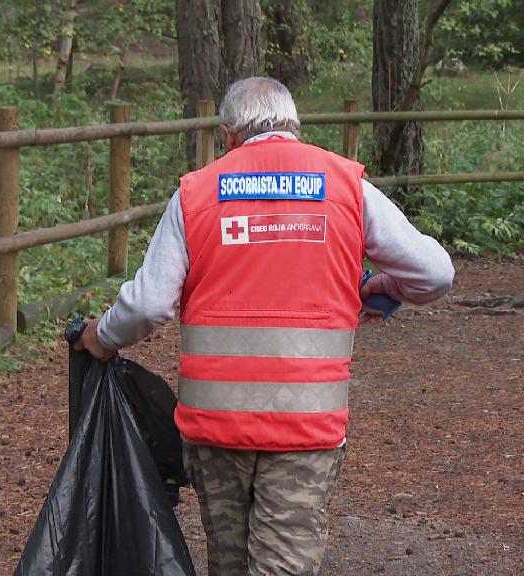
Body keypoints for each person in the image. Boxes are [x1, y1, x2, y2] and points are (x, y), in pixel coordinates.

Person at [75, 76, 454, 575]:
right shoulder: (346, 187)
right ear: (295, 126)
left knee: (228, 562)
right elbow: (435, 273)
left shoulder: (196, 192)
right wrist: (386, 287)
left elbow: (148, 306)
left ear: (228, 134)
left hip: (217, 426)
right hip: (305, 423)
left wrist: (99, 338)